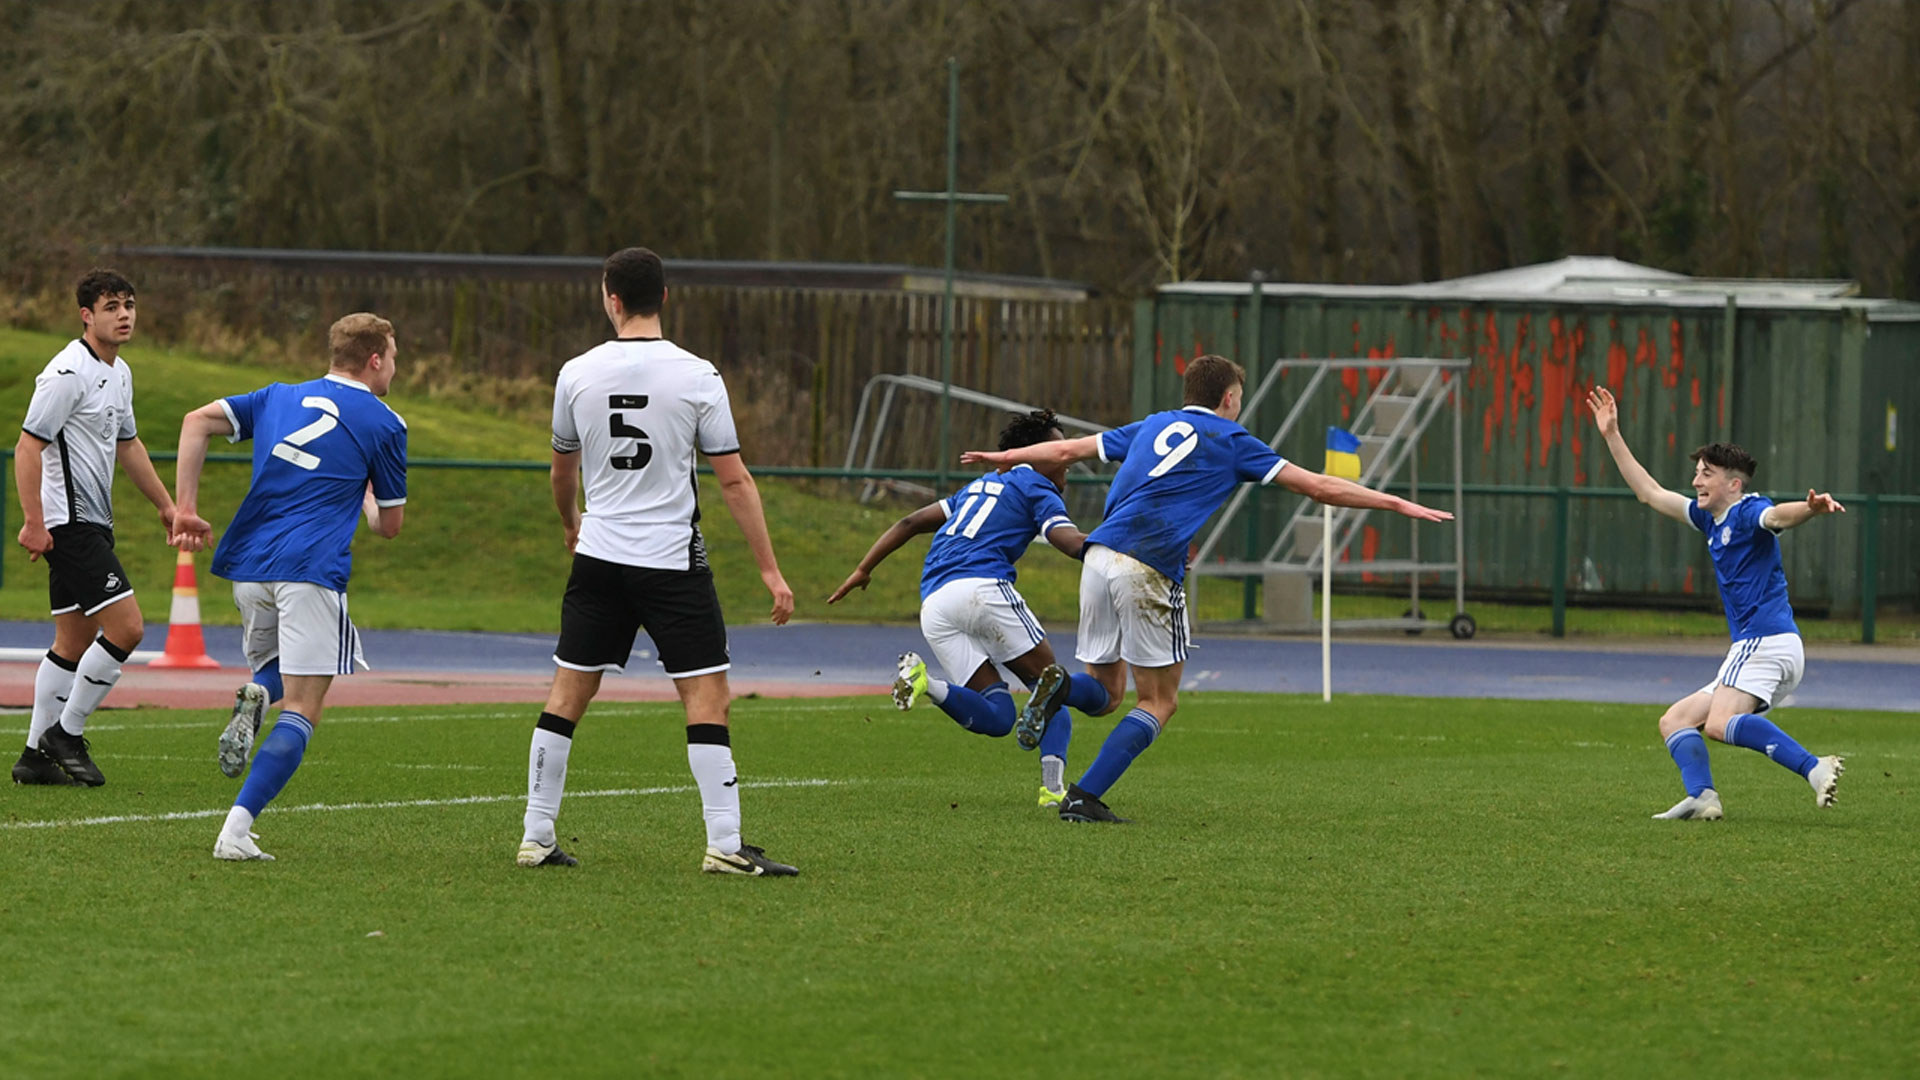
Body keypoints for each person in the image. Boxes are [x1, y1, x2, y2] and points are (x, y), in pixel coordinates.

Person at [962, 354, 1453, 823]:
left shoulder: (1152, 425)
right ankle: (1084, 796)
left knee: (1109, 693)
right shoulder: (1232, 439)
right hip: (1146, 566)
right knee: (1159, 701)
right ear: (1230, 398)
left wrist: (1005, 457)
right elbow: (1319, 487)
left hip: (1097, 555)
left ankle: (1061, 686)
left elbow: (1067, 450)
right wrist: (1394, 503)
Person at [517, 246, 799, 876]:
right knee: (707, 696)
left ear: (610, 298)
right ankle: (724, 846)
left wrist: (571, 526)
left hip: (599, 556)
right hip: (670, 559)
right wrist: (770, 571)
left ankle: (536, 835)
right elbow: (734, 482)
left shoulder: (575, 373)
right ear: (664, 298)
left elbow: (562, 470)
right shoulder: (699, 375)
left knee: (567, 692)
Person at [171, 313, 409, 860]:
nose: (396, 367)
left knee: (276, 673)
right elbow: (389, 527)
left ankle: (256, 695)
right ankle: (236, 828)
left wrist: (186, 509)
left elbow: (194, 422)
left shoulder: (278, 395)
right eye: (393, 356)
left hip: (250, 565)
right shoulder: (385, 422)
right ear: (375, 360)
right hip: (310, 568)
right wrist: (367, 495)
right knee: (305, 706)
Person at [827, 409, 1113, 807]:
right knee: (1050, 689)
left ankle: (928, 683)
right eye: (1056, 448)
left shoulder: (978, 486)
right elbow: (1066, 541)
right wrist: (1123, 552)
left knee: (997, 717)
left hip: (936, 604)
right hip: (983, 591)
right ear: (1030, 454)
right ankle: (1052, 790)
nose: (1065, 456)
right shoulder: (1036, 484)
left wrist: (862, 569)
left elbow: (910, 522)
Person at [1586, 386, 1846, 821]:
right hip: (1772, 646)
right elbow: (1650, 493)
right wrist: (1612, 433)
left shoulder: (1747, 512)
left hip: (1763, 641)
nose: (1695, 481)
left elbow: (1777, 516)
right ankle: (1703, 796)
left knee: (1720, 725)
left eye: (1705, 474)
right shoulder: (1711, 518)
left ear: (1733, 484)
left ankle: (1814, 768)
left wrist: (1809, 508)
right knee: (1675, 721)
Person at [11, 268, 177, 788]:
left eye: (128, 304)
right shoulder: (67, 373)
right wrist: (34, 523)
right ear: (87, 316)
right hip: (69, 524)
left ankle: (35, 757)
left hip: (92, 523)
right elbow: (27, 446)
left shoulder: (118, 372)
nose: (124, 315)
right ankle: (67, 732)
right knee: (127, 629)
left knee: (73, 638)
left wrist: (166, 506)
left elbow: (127, 445)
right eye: (111, 306)